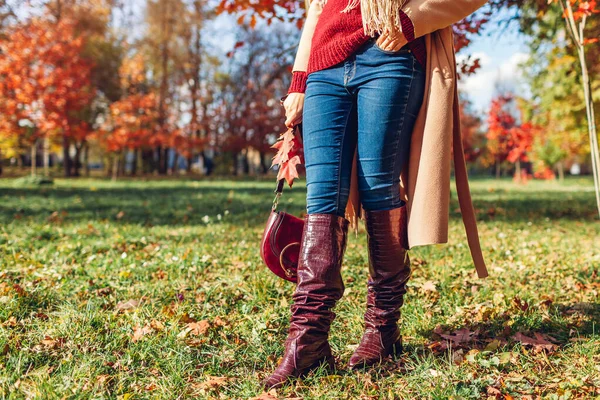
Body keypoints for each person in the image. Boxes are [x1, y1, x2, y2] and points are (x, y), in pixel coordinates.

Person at [263, 0, 489, 390]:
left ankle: (382, 331)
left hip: (391, 55)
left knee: (377, 187)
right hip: (324, 65)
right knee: (322, 198)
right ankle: (307, 341)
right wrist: (300, 80)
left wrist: (410, 21)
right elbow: (317, 8)